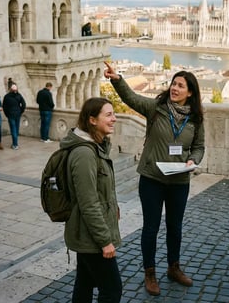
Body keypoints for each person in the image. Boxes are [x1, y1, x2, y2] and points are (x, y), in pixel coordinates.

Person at [104, 61, 205, 296]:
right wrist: (117, 79)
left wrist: (193, 160)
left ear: (190, 92)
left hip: (179, 180)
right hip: (152, 178)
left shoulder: (196, 118)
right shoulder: (156, 108)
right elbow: (131, 98)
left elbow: (199, 147)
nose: (175, 88)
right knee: (151, 227)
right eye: (173, 83)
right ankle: (150, 272)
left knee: (175, 227)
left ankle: (174, 267)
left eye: (180, 85)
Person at [62, 97, 122, 303]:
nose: (114, 118)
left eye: (114, 114)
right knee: (112, 290)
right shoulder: (84, 154)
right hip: (92, 238)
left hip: (88, 234)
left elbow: (100, 192)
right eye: (108, 115)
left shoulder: (97, 147)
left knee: (85, 283)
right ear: (92, 120)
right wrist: (105, 241)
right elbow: (88, 203)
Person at [2, 84, 26, 150]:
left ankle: (15, 144)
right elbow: (23, 104)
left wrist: (7, 114)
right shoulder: (19, 95)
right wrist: (20, 111)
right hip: (17, 114)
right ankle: (15, 143)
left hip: (11, 115)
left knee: (13, 129)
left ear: (10, 90)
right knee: (16, 129)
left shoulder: (6, 96)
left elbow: (4, 107)